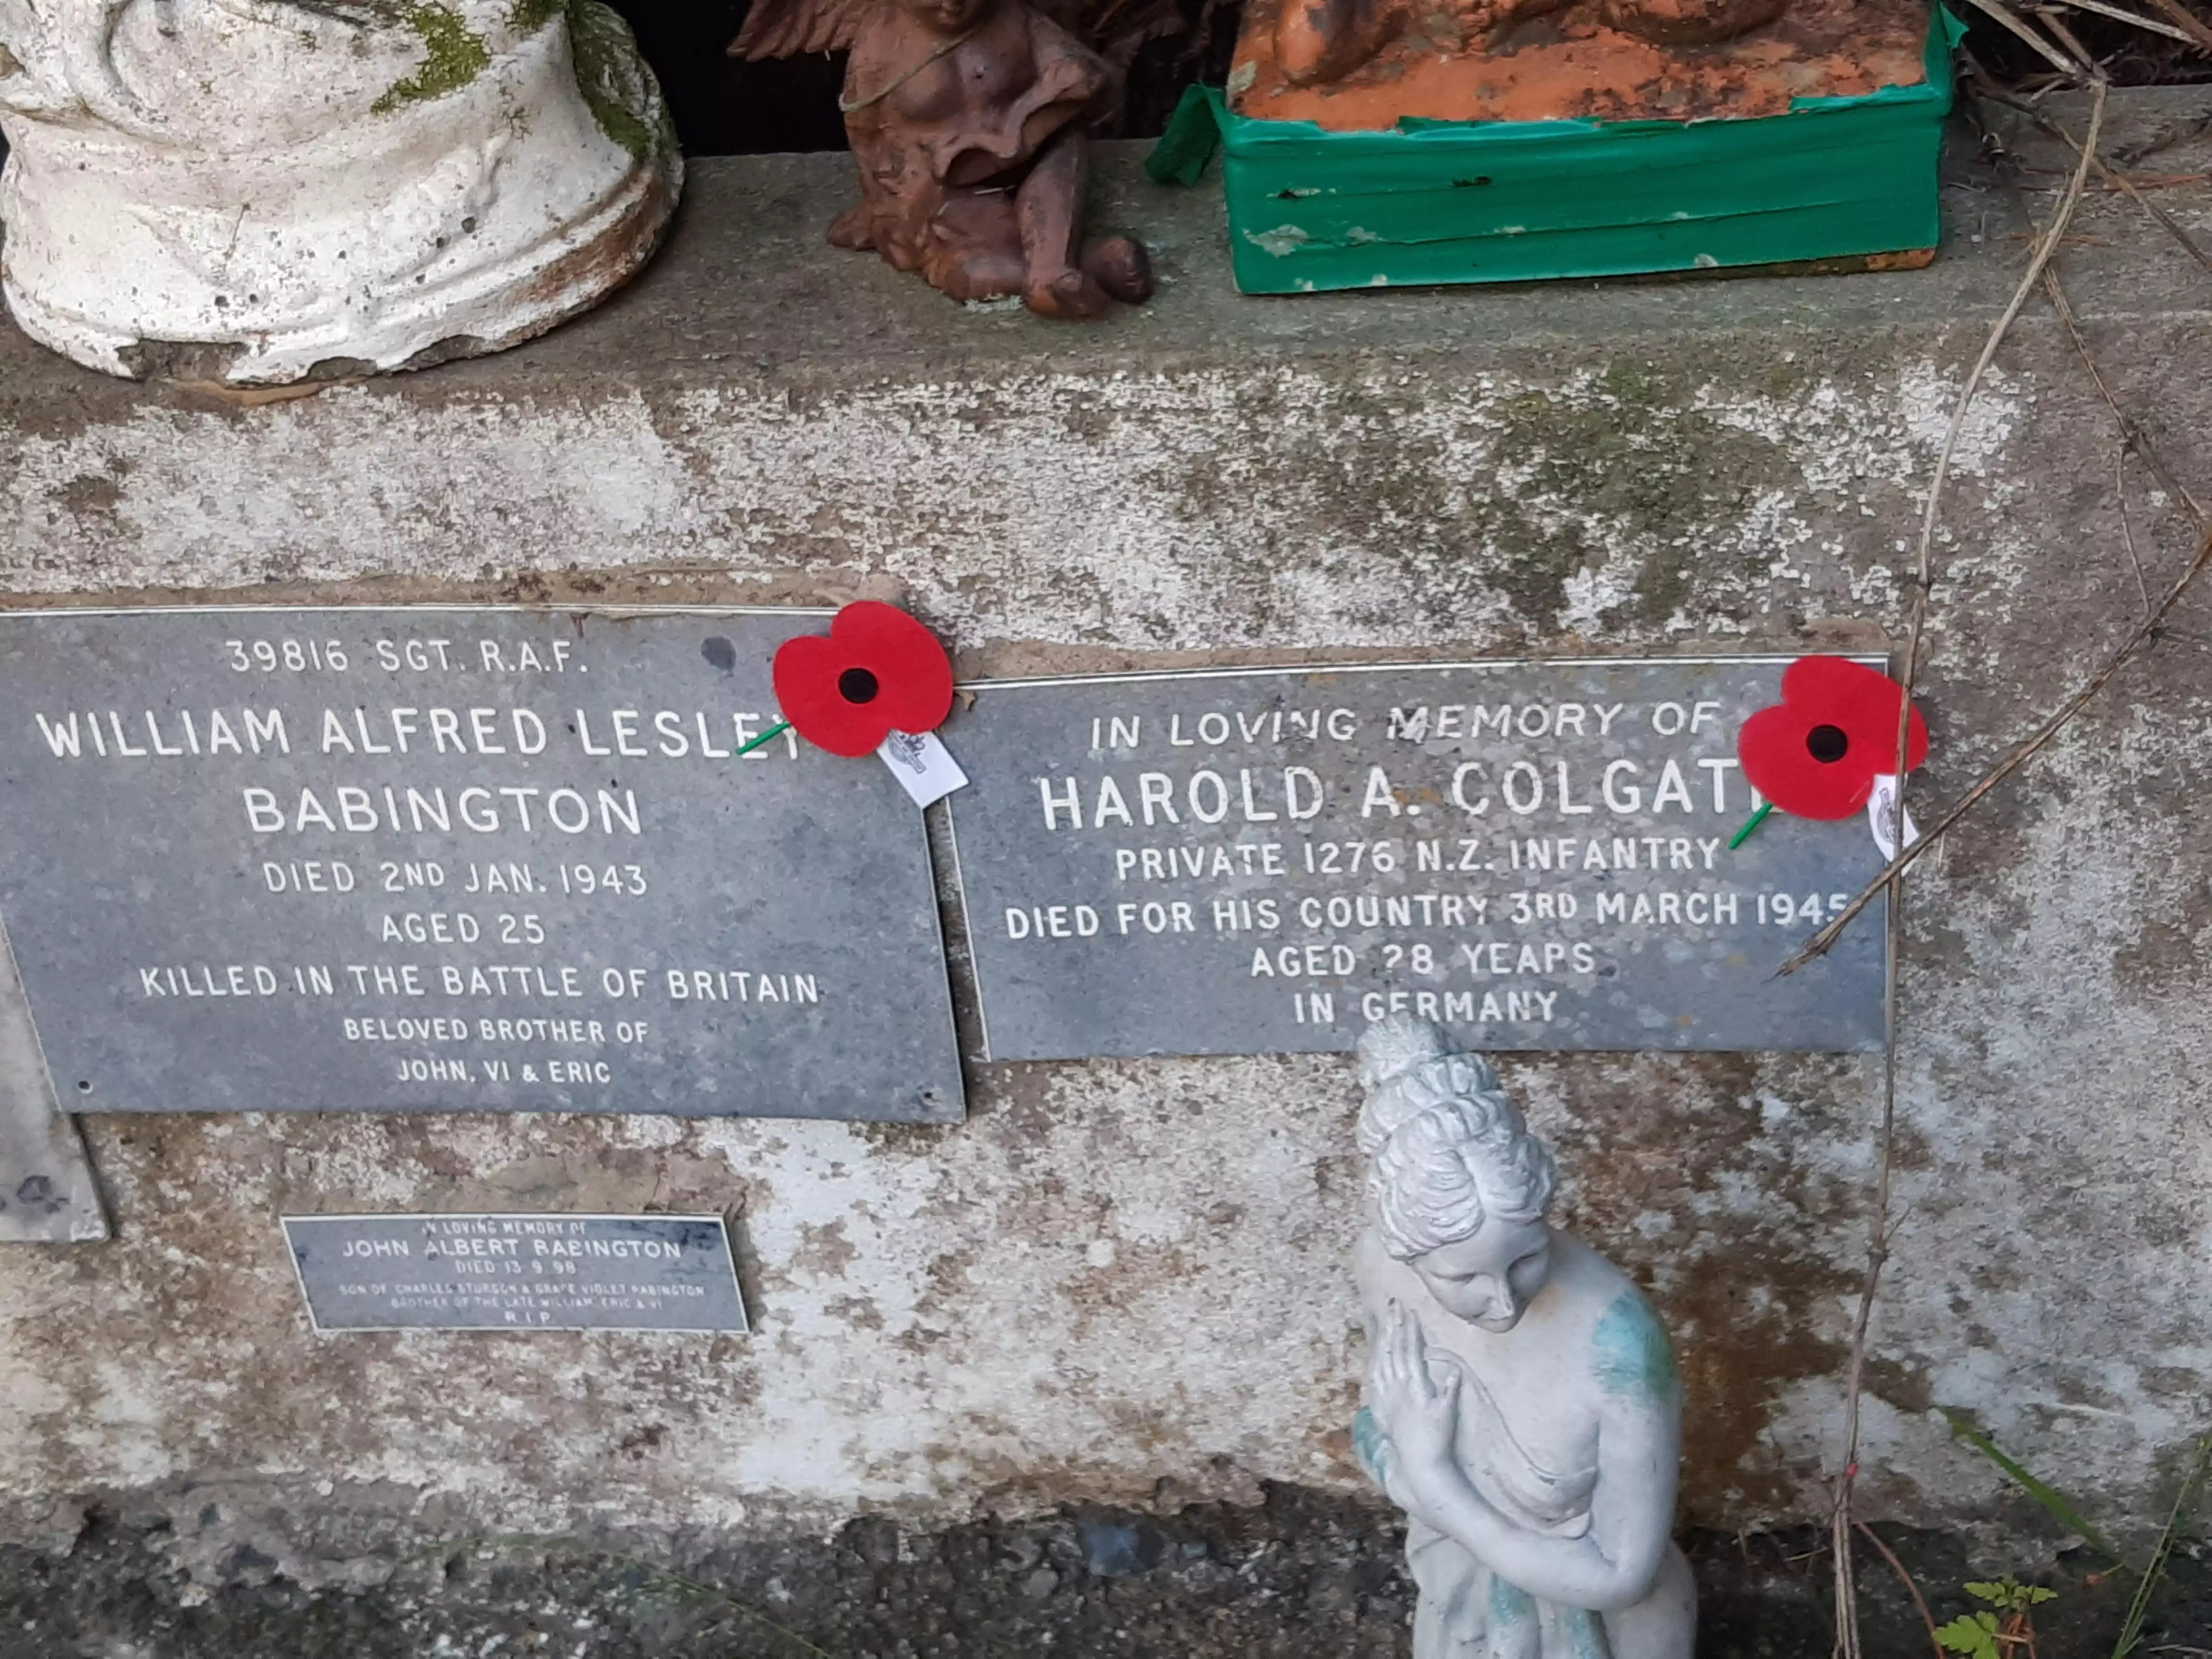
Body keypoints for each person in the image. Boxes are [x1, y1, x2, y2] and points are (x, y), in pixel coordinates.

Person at [1352, 1014, 1696, 1659]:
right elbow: (1372, 1427)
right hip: (1467, 1606)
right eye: (1462, 1278)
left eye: (1527, 1259)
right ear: (1410, 1254)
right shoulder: (1382, 1268)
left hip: (1608, 1633)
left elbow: (1621, 1577)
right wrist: (1406, 1463)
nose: (1503, 1300)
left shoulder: (1620, 1345)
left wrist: (1432, 1479)